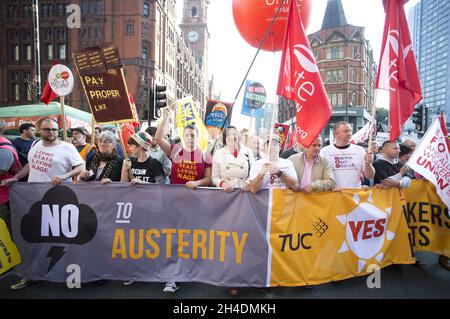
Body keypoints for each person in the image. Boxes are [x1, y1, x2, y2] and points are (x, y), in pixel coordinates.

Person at [2, 117, 85, 290]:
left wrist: (63, 176)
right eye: (47, 130)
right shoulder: (35, 145)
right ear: (39, 130)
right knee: (34, 238)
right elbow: (30, 166)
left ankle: (67, 273)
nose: (52, 132)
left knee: (61, 239)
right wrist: (16, 177)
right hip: (34, 200)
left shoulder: (67, 147)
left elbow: (80, 167)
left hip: (59, 200)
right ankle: (31, 274)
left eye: (55, 129)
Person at [154, 108, 212, 293]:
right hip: (175, 202)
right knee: (175, 239)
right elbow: (157, 139)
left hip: (196, 204)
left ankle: (186, 272)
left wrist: (197, 182)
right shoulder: (175, 151)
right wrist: (165, 119)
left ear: (197, 137)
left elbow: (209, 179)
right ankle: (174, 276)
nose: (190, 138)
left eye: (193, 135)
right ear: (182, 136)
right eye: (187, 135)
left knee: (190, 239)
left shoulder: (205, 154)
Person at [320, 121, 375, 189]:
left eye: (350, 131)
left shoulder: (360, 150)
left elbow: (370, 176)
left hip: (353, 195)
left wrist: (368, 164)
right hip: (333, 195)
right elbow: (319, 175)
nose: (349, 133)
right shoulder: (325, 151)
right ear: (335, 134)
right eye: (345, 131)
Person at [212, 126, 254, 193]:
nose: (232, 137)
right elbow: (214, 177)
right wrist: (222, 183)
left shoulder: (248, 152)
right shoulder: (218, 153)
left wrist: (248, 182)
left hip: (244, 192)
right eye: (228, 135)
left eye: (234, 134)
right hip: (225, 193)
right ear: (224, 138)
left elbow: (253, 173)